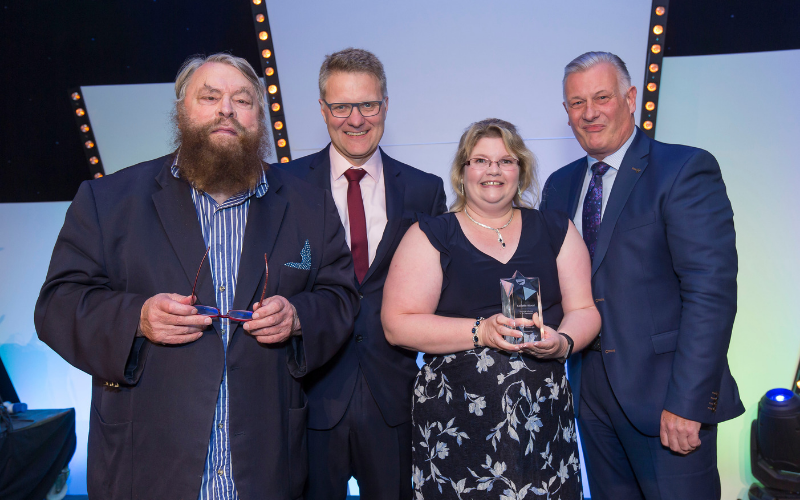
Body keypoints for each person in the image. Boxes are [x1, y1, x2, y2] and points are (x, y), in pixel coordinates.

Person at [34, 53, 359, 500]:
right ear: (182, 111)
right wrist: (138, 318)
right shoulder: (108, 200)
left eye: (243, 100)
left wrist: (299, 317)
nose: (227, 108)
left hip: (266, 465)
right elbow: (58, 305)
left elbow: (340, 297)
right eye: (210, 97)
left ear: (258, 118)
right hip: (148, 466)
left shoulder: (310, 206)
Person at [539, 51, 743, 500]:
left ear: (630, 98)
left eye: (602, 97)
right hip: (587, 397)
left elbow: (710, 295)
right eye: (576, 103)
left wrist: (688, 402)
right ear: (566, 113)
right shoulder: (559, 185)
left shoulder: (684, 170)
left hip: (666, 402)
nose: (589, 113)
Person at [382, 118, 600, 499]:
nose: (493, 170)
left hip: (541, 422)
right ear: (462, 171)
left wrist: (563, 341)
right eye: (480, 160)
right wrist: (480, 331)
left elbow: (584, 308)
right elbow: (397, 325)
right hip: (458, 429)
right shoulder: (431, 235)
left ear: (522, 169)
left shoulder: (556, 228)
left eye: (506, 160)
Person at [277, 47, 446, 500]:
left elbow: (439, 296)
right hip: (309, 396)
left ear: (386, 104)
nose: (355, 119)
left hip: (395, 398)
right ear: (322, 110)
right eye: (340, 106)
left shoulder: (425, 190)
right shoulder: (281, 186)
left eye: (368, 104)